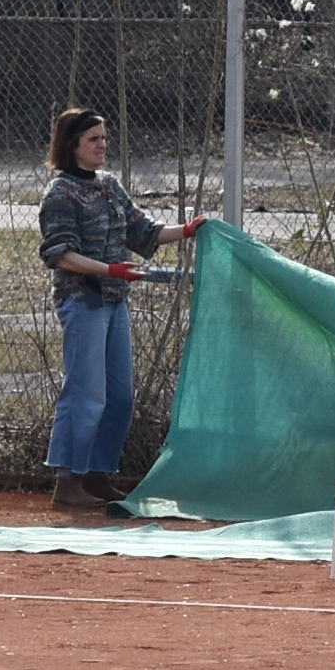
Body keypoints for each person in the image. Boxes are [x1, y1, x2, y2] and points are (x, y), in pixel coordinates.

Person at [40, 107, 202, 512]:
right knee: (86, 394)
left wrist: (187, 230)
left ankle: (96, 475)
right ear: (72, 145)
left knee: (119, 397)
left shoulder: (109, 186)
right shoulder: (60, 194)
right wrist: (109, 269)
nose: (102, 145)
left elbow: (142, 232)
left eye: (104, 138)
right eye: (93, 139)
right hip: (83, 301)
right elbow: (61, 254)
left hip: (114, 300)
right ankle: (68, 480)